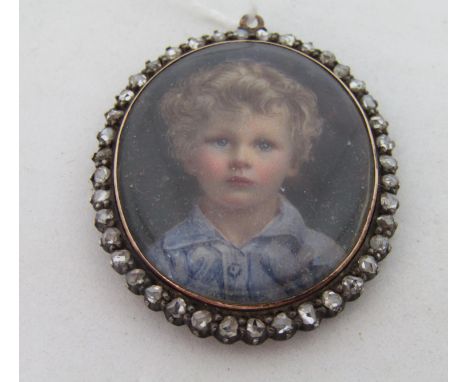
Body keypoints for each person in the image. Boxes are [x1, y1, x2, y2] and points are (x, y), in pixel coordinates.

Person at [147, 60, 344, 304]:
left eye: (263, 145)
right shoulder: (167, 256)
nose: (240, 159)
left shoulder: (319, 256)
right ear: (189, 154)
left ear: (293, 160)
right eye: (221, 141)